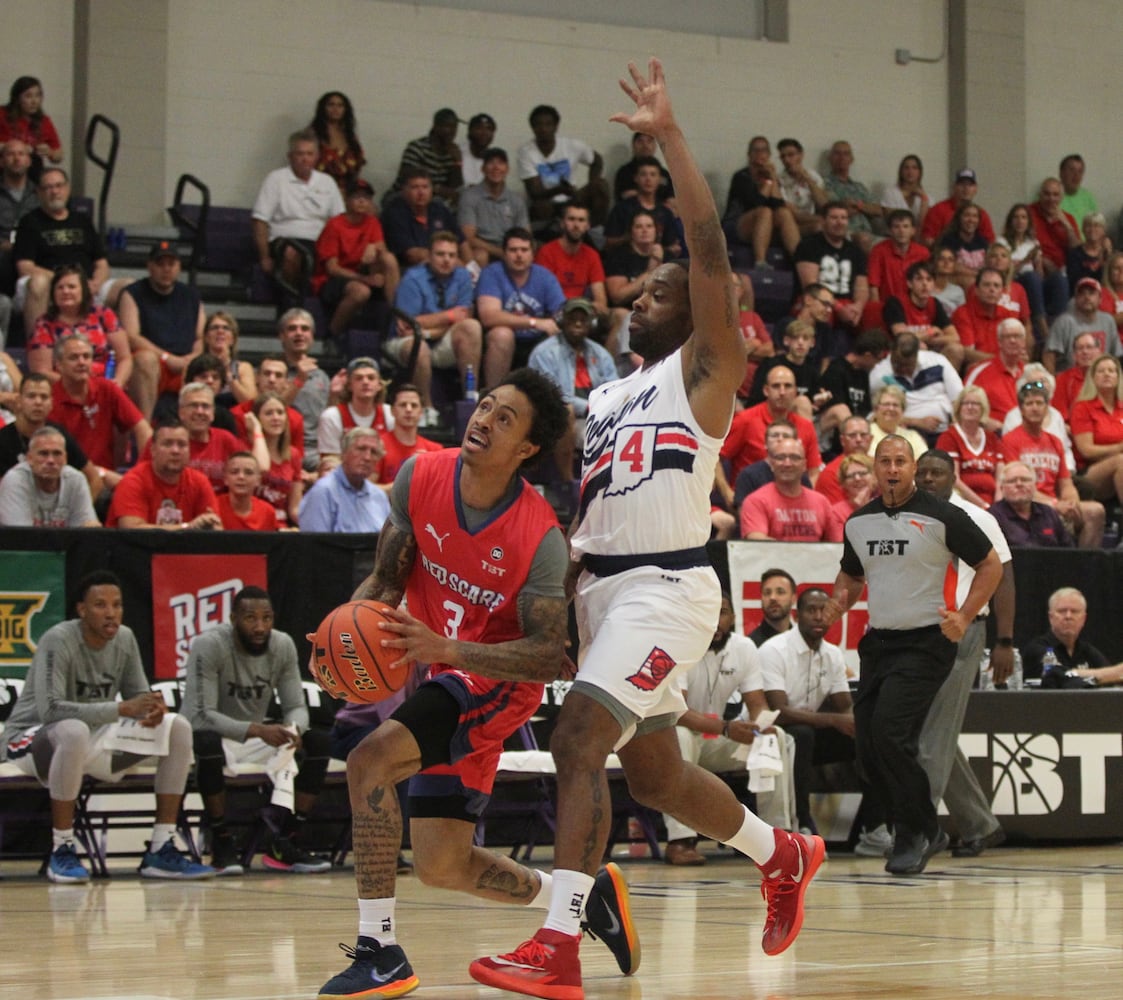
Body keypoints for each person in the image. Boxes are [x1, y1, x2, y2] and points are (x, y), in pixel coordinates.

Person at [472, 62, 825, 999]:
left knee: (580, 737)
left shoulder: (706, 372)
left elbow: (707, 250)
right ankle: (780, 850)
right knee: (659, 777)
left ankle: (553, 947)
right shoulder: (605, 394)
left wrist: (670, 142)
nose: (642, 297)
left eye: (659, 290)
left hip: (668, 586)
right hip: (601, 587)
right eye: (642, 290)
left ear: (700, 310)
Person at [317, 370, 636, 998]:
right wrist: (339, 642)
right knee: (442, 865)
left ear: (527, 450)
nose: (484, 420)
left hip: (493, 680)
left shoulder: (540, 538)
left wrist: (449, 649)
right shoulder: (420, 476)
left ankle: (380, 951)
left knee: (367, 762)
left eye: (506, 418)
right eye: (486, 406)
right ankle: (580, 900)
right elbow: (384, 583)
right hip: (440, 670)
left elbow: (548, 655)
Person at [824, 435, 1002, 875]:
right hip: (879, 642)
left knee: (891, 734)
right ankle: (925, 826)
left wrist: (965, 614)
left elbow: (991, 565)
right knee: (867, 746)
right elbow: (851, 575)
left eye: (900, 461)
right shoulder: (859, 522)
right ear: (875, 468)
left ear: (912, 467)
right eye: (884, 461)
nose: (892, 469)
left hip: (927, 642)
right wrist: (836, 602)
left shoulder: (944, 515)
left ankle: (913, 831)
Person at [0, 570, 214, 882]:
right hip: (32, 740)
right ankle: (62, 848)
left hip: (91, 737)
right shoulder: (58, 639)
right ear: (81, 610)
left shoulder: (124, 638)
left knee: (176, 727)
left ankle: (161, 847)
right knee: (73, 730)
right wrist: (121, 709)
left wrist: (151, 709)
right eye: (100, 605)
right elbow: (51, 710)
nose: (111, 613)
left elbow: (138, 695)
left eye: (117, 605)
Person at [185, 585, 331, 874]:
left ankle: (286, 840)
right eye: (251, 618)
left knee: (318, 743)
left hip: (254, 737)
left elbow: (296, 706)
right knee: (206, 742)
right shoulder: (209, 645)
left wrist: (293, 730)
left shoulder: (283, 644)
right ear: (233, 618)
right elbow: (199, 716)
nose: (260, 626)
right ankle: (221, 840)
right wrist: (257, 730)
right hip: (219, 737)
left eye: (266, 618)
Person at [914, 450, 1009, 858]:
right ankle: (979, 824)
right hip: (917, 632)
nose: (929, 479)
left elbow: (1004, 576)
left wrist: (1005, 640)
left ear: (953, 477)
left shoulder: (978, 517)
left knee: (931, 733)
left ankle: (918, 831)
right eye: (923, 473)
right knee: (935, 732)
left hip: (963, 629)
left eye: (937, 473)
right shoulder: (907, 516)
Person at [662, 591, 793, 864]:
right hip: (690, 738)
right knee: (679, 735)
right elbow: (678, 712)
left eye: (722, 612)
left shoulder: (744, 648)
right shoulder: (680, 646)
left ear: (733, 617)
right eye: (708, 611)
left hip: (719, 739)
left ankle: (775, 837)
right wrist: (725, 727)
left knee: (775, 737)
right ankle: (681, 840)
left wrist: (762, 723)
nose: (715, 620)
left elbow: (757, 703)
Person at [760, 588, 889, 856]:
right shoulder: (774, 650)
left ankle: (873, 829)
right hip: (771, 736)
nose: (819, 617)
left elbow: (846, 706)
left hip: (811, 732)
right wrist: (834, 719)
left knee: (870, 737)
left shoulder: (832, 654)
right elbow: (778, 711)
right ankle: (802, 824)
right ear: (797, 615)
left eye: (824, 611)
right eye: (811, 610)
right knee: (801, 734)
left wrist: (860, 727)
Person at [13, 167, 122, 333]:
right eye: (48, 188)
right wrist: (66, 281)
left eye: (59, 186)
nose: (54, 191)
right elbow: (25, 267)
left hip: (87, 284)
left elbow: (101, 263)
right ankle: (39, 346)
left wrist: (95, 283)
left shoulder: (82, 221)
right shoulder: (29, 222)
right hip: (49, 284)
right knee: (38, 282)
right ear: (39, 193)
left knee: (128, 288)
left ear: (67, 189)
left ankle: (124, 351)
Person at [528, 297, 617, 497]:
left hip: (595, 416)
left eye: (582, 320)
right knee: (566, 410)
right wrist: (590, 407)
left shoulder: (600, 354)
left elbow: (615, 388)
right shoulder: (545, 353)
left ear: (591, 324)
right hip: (555, 418)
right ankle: (568, 484)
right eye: (572, 318)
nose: (577, 323)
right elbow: (553, 396)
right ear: (562, 321)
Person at [392, 229, 484, 419]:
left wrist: (429, 330)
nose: (446, 260)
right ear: (428, 255)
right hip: (402, 341)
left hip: (436, 339)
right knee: (419, 346)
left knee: (472, 327)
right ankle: (426, 408)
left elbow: (464, 317)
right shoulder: (413, 278)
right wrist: (450, 316)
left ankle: (470, 397)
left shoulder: (463, 277)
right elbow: (408, 324)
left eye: (451, 255)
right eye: (440, 254)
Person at [1002, 379, 1104, 548]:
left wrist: (1072, 503)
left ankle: (1084, 570)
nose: (1035, 407)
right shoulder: (1010, 440)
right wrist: (1056, 505)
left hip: (1055, 504)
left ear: (1047, 409)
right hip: (1026, 503)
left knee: (1095, 511)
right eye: (1029, 403)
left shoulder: (1055, 441)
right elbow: (1018, 486)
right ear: (1021, 409)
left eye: (1039, 403)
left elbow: (1066, 483)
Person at [252, 129, 344, 304]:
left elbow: (339, 222)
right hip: (285, 239)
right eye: (300, 154)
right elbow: (260, 220)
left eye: (310, 154)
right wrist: (264, 257)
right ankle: (292, 302)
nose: (305, 159)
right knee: (292, 253)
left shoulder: (327, 182)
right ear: (290, 156)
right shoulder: (276, 179)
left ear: (317, 157)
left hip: (320, 241)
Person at [117, 240, 205, 419]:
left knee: (210, 368)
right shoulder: (132, 293)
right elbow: (132, 336)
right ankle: (146, 430)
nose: (166, 269)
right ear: (149, 266)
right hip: (156, 363)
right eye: (160, 264)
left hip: (187, 364)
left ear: (179, 266)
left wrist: (192, 359)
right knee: (145, 359)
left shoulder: (192, 296)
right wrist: (167, 358)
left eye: (171, 264)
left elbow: (200, 337)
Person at [475, 227, 566, 387]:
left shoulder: (545, 276)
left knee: (561, 335)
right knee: (502, 334)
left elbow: (562, 312)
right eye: (513, 250)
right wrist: (534, 322)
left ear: (532, 254)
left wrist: (553, 322)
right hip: (502, 341)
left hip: (537, 340)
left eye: (524, 250)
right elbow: (488, 316)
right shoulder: (492, 273)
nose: (519, 255)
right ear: (504, 253)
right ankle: (493, 395)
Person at [49, 333, 152, 476]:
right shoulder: (51, 401)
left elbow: (143, 429)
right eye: (74, 358)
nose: (82, 362)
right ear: (58, 365)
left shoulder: (106, 389)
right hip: (70, 480)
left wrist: (145, 469)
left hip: (108, 479)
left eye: (86, 357)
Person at [312, 178, 400, 342]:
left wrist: (376, 253)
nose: (361, 201)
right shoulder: (335, 225)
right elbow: (332, 268)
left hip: (362, 270)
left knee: (388, 259)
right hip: (333, 279)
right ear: (347, 200)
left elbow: (383, 250)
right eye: (356, 197)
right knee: (361, 292)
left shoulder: (372, 222)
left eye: (366, 198)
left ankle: (396, 315)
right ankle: (332, 334)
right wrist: (365, 279)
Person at [719, 364, 822, 500]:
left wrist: (807, 500)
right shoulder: (745, 420)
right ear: (766, 390)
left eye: (788, 386)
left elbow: (813, 472)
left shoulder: (806, 426)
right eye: (776, 386)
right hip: (749, 497)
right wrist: (727, 493)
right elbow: (716, 458)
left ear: (796, 391)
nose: (782, 392)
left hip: (792, 502)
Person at [0, 372, 102, 500]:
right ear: (19, 401)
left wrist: (81, 513)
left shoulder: (59, 436)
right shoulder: (3, 440)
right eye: (31, 396)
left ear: (51, 404)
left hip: (57, 515)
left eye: (44, 397)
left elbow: (94, 480)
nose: (38, 402)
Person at [106, 420, 222, 530]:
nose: (175, 451)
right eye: (167, 444)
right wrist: (187, 527)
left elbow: (216, 528)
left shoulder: (200, 482)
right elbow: (132, 530)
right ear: (153, 450)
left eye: (182, 445)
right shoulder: (133, 481)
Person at [517, 104, 608, 234]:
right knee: (541, 206)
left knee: (600, 186)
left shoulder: (571, 145)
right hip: (546, 202)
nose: (543, 129)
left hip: (573, 198)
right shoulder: (526, 152)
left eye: (548, 124)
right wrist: (561, 189)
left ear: (556, 126)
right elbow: (535, 192)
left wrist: (592, 181)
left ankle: (593, 230)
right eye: (539, 124)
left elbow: (597, 160)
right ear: (533, 127)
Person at [793, 201, 869, 346]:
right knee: (820, 307)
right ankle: (818, 354)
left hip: (848, 304)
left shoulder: (855, 251)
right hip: (820, 299)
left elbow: (862, 287)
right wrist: (837, 307)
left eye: (843, 218)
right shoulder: (809, 245)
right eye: (834, 218)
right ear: (823, 221)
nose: (839, 222)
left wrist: (858, 307)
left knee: (873, 310)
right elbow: (811, 285)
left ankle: (868, 355)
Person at [868, 331, 962, 442]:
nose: (902, 369)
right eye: (897, 363)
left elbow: (958, 399)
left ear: (917, 355)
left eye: (907, 365)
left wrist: (956, 431)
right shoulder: (880, 375)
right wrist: (917, 422)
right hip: (904, 432)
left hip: (945, 429)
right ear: (891, 353)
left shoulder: (938, 362)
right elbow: (876, 416)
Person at [740, 437, 840, 542]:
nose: (787, 463)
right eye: (780, 458)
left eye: (794, 458)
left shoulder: (821, 502)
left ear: (804, 465)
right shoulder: (756, 501)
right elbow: (757, 543)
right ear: (772, 464)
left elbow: (837, 545)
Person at [0, 426, 99, 527]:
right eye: (43, 454)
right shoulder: (15, 480)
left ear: (65, 458)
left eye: (57, 453)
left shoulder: (76, 479)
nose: (51, 460)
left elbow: (89, 528)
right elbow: (18, 538)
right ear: (29, 458)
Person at [299, 426, 389, 532]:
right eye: (361, 449)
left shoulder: (379, 496)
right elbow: (314, 545)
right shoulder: (322, 492)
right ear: (344, 453)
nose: (367, 457)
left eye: (374, 452)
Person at [277, 308, 331, 473]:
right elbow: (270, 407)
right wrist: (299, 380)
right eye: (292, 328)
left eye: (305, 329)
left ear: (312, 337)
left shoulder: (322, 376)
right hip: (284, 447)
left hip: (317, 451)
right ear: (282, 336)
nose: (299, 333)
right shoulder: (274, 371)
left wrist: (335, 395)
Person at [458, 147, 531, 267]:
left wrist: (512, 250)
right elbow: (468, 237)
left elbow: (525, 234)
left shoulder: (516, 199)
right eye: (491, 163)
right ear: (483, 169)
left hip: (509, 247)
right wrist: (500, 252)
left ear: (507, 169)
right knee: (480, 255)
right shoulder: (469, 196)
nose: (496, 167)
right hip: (482, 248)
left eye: (501, 163)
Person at [881, 260, 963, 367]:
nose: (925, 284)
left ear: (933, 284)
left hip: (929, 350)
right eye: (919, 279)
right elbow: (903, 339)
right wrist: (930, 332)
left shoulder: (934, 303)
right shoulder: (895, 303)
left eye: (929, 279)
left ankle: (945, 383)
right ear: (909, 283)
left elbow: (954, 337)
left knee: (956, 349)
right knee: (920, 347)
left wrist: (931, 340)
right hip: (899, 355)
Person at [381, 167, 466, 269]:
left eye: (425, 187)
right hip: (409, 269)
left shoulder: (440, 209)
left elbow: (462, 243)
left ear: (431, 190)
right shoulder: (394, 213)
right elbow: (412, 254)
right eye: (415, 187)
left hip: (443, 263)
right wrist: (453, 261)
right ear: (404, 191)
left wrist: (471, 269)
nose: (421, 193)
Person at [936, 385, 1004, 507]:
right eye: (966, 403)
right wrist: (982, 505)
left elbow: (1001, 477)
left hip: (992, 504)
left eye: (975, 403)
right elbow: (954, 479)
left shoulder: (992, 438)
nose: (970, 407)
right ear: (959, 408)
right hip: (962, 501)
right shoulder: (949, 437)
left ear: (983, 409)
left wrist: (998, 506)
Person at [1021, 587, 1108, 683]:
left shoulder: (1088, 652)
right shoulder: (1037, 649)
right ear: (1051, 617)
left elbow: (1110, 675)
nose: (1068, 616)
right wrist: (1107, 674)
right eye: (1062, 611)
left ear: (1084, 619)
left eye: (1074, 611)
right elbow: (1058, 675)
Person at [316, 356, 392, 462]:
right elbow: (329, 462)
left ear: (379, 385)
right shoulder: (332, 416)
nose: (365, 382)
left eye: (371, 378)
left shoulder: (390, 414)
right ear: (349, 386)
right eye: (359, 378)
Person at [1070, 353, 1123, 504]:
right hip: (1090, 472)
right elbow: (1087, 450)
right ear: (1092, 378)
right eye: (1101, 371)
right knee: (1121, 461)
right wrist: (1119, 448)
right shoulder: (1083, 407)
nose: (1107, 374)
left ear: (1118, 377)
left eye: (1111, 371)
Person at [988, 460, 1075, 548]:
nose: (1019, 484)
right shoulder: (992, 517)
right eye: (1012, 481)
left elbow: (1069, 550)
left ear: (1035, 486)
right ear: (1002, 488)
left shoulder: (1049, 513)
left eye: (1025, 480)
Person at [603, 155, 681, 253]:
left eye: (653, 175)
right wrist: (629, 238)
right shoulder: (622, 208)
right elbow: (608, 243)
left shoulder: (665, 213)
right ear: (636, 178)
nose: (648, 179)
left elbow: (671, 245)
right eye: (643, 174)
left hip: (658, 262)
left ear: (659, 179)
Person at [1029, 178, 1081, 321]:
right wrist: (1043, 260)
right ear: (1040, 195)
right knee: (1057, 279)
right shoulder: (1029, 213)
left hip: (1062, 271)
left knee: (1061, 279)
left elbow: (1077, 250)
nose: (1051, 199)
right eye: (1047, 194)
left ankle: (1058, 327)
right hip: (1035, 267)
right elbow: (1021, 241)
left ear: (1061, 197)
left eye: (1055, 195)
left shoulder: (1067, 218)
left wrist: (1067, 226)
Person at [1044, 276, 1119, 373]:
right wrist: (1053, 382)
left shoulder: (1108, 321)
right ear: (1075, 299)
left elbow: (1116, 356)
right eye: (1082, 293)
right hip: (1070, 381)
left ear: (1100, 299)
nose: (1087, 297)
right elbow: (1049, 355)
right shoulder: (1064, 322)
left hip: (1100, 380)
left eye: (1091, 293)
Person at [962, 317, 1028, 426]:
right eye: (1007, 337)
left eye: (1017, 336)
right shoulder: (980, 372)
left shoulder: (1031, 373)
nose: (1013, 340)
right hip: (993, 435)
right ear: (999, 342)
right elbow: (962, 407)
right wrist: (984, 421)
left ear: (1024, 342)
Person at [249, 391, 302, 527]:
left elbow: (294, 509)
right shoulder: (248, 450)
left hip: (282, 528)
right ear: (257, 418)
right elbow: (262, 467)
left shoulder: (293, 454)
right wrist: (257, 430)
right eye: (268, 413)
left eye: (280, 412)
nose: (276, 418)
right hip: (255, 525)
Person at [376, 383, 444, 487]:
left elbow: (441, 488)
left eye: (414, 405)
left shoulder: (435, 450)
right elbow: (367, 490)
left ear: (421, 412)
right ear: (392, 411)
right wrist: (405, 484)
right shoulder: (378, 445)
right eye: (403, 405)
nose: (408, 409)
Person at [392, 108, 464, 205]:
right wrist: (438, 189)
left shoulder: (452, 152)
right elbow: (408, 179)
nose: (451, 131)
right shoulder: (417, 147)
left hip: (433, 201)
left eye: (454, 127)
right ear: (435, 126)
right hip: (404, 196)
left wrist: (458, 162)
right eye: (447, 126)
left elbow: (455, 188)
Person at [822, 140, 882, 253]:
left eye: (846, 154)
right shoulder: (824, 183)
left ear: (851, 159)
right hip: (845, 232)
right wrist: (863, 207)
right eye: (837, 153)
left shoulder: (859, 187)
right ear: (830, 158)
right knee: (864, 239)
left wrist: (858, 206)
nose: (841, 157)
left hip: (868, 232)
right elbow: (837, 209)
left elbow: (878, 210)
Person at [0, 76, 62, 176]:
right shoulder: (2, 114)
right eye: (28, 96)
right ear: (17, 98)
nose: (34, 101)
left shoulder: (44, 121)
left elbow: (59, 155)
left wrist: (49, 152)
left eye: (38, 96)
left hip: (31, 172)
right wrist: (15, 147)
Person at [0, 138, 39, 296]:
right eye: (11, 154)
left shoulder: (40, 193)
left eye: (21, 154)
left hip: (34, 254)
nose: (17, 159)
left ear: (29, 161)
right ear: (2, 162)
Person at [868, 208, 930, 305]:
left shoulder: (923, 253)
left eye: (905, 226)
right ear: (890, 230)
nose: (901, 231)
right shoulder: (878, 251)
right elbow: (873, 286)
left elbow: (928, 285)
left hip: (915, 308)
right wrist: (876, 310)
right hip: (887, 308)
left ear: (913, 230)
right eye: (896, 227)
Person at [920, 168, 996, 247]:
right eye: (962, 184)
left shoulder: (981, 214)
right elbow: (927, 240)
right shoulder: (938, 210)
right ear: (954, 187)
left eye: (970, 185)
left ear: (976, 189)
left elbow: (990, 243)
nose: (966, 188)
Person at [309, 91, 366, 192]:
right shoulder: (313, 134)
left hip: (347, 191)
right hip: (318, 189)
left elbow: (358, 164)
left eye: (340, 105)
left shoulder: (350, 136)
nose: (335, 109)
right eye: (331, 105)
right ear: (323, 108)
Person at [201, 311, 255, 408]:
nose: (220, 331)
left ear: (233, 339)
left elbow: (250, 403)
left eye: (226, 328)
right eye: (214, 327)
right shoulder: (193, 365)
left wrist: (228, 371)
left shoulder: (243, 368)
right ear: (206, 337)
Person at [776, 137, 829, 236]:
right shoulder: (779, 180)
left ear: (801, 155)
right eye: (783, 157)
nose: (787, 160)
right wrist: (825, 220)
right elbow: (795, 215)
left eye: (791, 155)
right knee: (821, 226)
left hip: (814, 219)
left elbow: (824, 205)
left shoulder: (813, 176)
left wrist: (808, 180)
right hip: (791, 224)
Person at [815, 415, 874, 503]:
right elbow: (838, 513)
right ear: (842, 440)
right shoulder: (830, 473)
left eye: (863, 435)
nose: (858, 439)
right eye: (852, 435)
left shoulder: (880, 466)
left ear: (871, 439)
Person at [215, 451, 278, 532]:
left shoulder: (268, 512)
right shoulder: (214, 507)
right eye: (234, 472)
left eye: (248, 472)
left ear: (258, 480)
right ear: (225, 479)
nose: (241, 477)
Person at [867, 383, 927, 458]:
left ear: (902, 411)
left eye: (895, 405)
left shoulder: (913, 436)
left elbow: (924, 461)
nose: (891, 408)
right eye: (886, 404)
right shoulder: (866, 433)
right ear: (876, 409)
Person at [938, 203, 989, 290]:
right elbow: (950, 265)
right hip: (953, 282)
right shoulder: (948, 240)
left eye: (975, 216)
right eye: (967, 215)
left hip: (979, 283)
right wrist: (977, 273)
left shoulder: (983, 242)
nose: (971, 220)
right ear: (959, 218)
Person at [827, 452, 875, 536]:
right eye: (851, 476)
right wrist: (860, 512)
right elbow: (840, 546)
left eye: (862, 473)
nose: (857, 478)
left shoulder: (885, 507)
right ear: (843, 483)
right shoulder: (835, 513)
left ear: (873, 477)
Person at [1066, 212, 1111, 294]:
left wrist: (1108, 255)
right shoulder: (1075, 254)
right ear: (1083, 229)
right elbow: (1075, 281)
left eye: (1096, 226)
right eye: (1088, 226)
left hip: (1106, 295)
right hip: (1082, 295)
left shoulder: (1108, 253)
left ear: (1103, 230)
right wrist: (1098, 262)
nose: (1092, 229)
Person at [750, 568, 797, 646]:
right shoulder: (751, 646)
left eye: (780, 592)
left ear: (793, 598)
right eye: (767, 593)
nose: (773, 598)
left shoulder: (802, 642)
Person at [882, 154, 929, 228]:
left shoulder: (927, 197)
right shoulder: (891, 192)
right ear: (901, 171)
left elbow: (925, 224)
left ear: (920, 172)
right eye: (906, 168)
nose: (910, 171)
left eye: (914, 168)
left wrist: (924, 199)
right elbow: (892, 218)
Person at [460, 112, 498, 187]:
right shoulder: (458, 152)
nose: (484, 132)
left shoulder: (495, 158)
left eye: (489, 128)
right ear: (470, 131)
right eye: (479, 128)